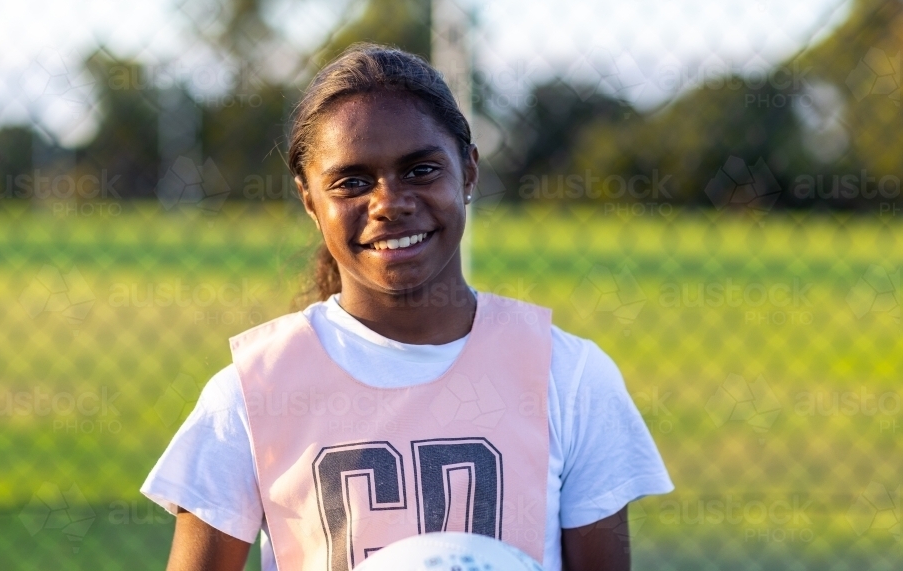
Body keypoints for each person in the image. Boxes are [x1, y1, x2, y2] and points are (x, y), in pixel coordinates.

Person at [141, 43, 673, 571]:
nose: (390, 203)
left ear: (468, 172)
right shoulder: (252, 390)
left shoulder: (569, 376)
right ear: (309, 199)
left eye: (420, 170)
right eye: (351, 182)